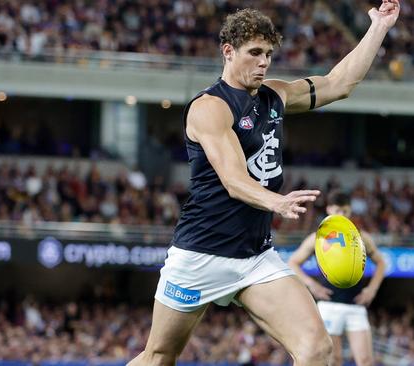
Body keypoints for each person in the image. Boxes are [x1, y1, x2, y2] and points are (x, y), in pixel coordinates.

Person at [129, 2, 400, 365]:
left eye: (269, 54)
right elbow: (233, 179)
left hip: (256, 256)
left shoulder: (275, 95)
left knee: (317, 349)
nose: (264, 62)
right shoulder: (210, 107)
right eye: (254, 53)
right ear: (228, 52)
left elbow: (339, 84)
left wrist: (378, 28)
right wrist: (276, 202)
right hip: (201, 254)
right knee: (158, 357)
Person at [288, 191, 387, 366]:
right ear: (329, 209)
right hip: (329, 304)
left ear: (350, 211)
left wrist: (372, 289)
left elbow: (381, 263)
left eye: (345, 211)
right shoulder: (318, 238)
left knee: (366, 361)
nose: (341, 215)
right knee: (334, 360)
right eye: (337, 210)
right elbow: (293, 262)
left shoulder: (360, 236)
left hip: (355, 305)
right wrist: (312, 285)